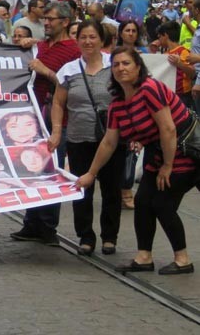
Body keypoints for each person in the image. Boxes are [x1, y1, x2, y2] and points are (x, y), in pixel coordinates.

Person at [75, 48, 198, 275]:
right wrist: (91, 174)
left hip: (183, 152)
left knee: (162, 204)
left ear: (138, 67)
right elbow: (109, 142)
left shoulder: (149, 89)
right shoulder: (117, 105)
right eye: (116, 65)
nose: (121, 68)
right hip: (159, 154)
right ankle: (144, 257)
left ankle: (183, 260)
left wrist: (168, 167)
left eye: (126, 63)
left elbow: (168, 129)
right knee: (142, 201)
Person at [50, 19, 122, 256]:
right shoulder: (69, 70)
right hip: (79, 138)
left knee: (112, 189)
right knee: (82, 188)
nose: (88, 41)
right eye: (83, 37)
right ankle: (86, 236)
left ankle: (109, 237)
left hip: (112, 139)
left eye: (93, 37)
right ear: (77, 40)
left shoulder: (116, 65)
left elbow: (130, 98)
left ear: (102, 40)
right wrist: (57, 131)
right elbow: (58, 103)